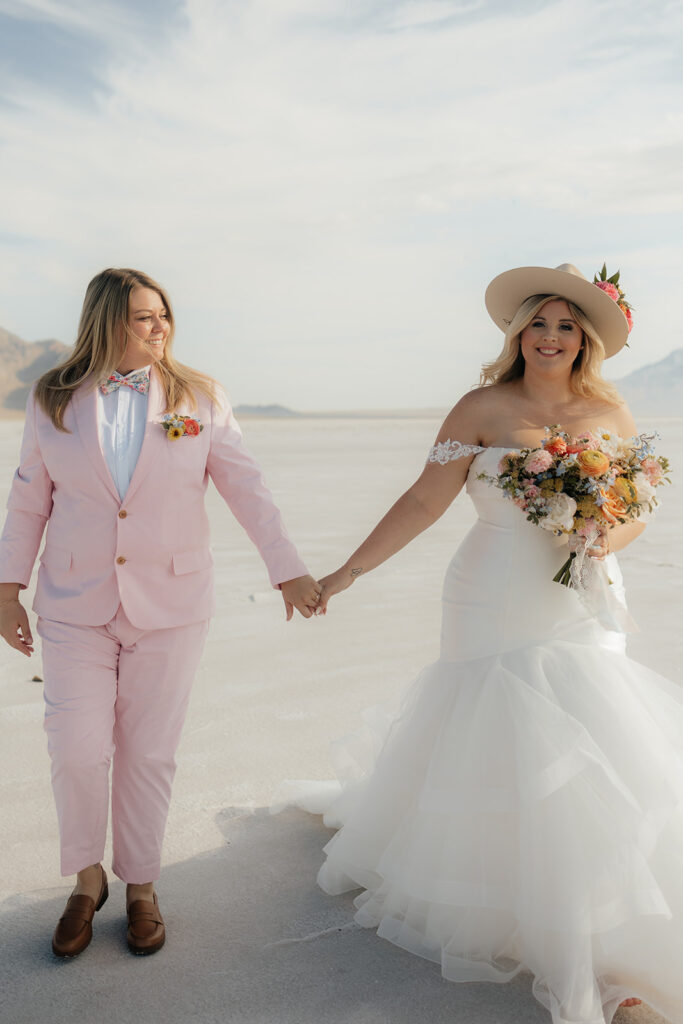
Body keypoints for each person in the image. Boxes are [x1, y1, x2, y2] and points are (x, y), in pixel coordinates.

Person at [310, 264, 683, 1024]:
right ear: (516, 334)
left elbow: (634, 507)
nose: (550, 337)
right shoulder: (479, 407)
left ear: (586, 340)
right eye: (537, 323)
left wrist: (606, 533)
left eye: (566, 325)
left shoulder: (608, 415)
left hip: (579, 597)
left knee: (591, 737)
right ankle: (533, 909)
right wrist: (350, 569)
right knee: (498, 732)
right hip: (489, 594)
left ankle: (610, 958)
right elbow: (423, 497)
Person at [0, 267, 321, 958]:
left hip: (172, 604)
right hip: (73, 602)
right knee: (76, 748)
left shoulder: (199, 397)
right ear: (108, 322)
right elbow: (29, 498)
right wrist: (6, 588)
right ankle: (87, 879)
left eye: (163, 315)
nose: (160, 327)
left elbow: (245, 487)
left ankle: (141, 884)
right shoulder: (52, 397)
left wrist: (286, 568)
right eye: (144, 317)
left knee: (148, 751)